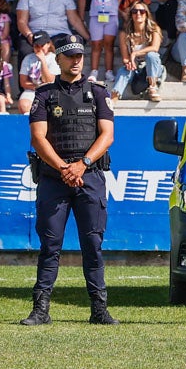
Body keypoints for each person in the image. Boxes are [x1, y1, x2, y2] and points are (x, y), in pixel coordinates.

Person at [21, 34, 117, 326]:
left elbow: (107, 135)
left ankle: (99, 310)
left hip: (90, 176)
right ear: (58, 59)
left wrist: (82, 164)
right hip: (54, 178)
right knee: (50, 246)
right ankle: (41, 310)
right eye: (70, 56)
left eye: (80, 55)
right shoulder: (44, 95)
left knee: (93, 245)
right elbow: (38, 138)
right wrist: (65, 168)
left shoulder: (98, 92)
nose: (76, 61)